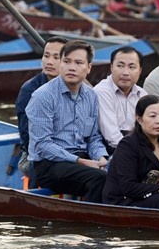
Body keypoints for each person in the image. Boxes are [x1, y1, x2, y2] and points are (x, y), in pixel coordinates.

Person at [26, 40, 109, 203]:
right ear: (60, 64)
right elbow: (42, 145)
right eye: (66, 61)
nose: (72, 67)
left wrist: (101, 158)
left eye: (78, 63)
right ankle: (90, 223)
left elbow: (93, 138)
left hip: (79, 159)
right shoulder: (43, 96)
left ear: (89, 67)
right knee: (99, 179)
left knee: (116, 172)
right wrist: (82, 162)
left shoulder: (91, 96)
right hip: (50, 164)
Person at [103, 95, 159, 209]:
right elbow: (128, 187)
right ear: (139, 119)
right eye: (152, 116)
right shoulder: (128, 145)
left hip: (157, 196)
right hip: (125, 202)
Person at [16, 36, 69, 176]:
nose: (49, 62)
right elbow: (29, 139)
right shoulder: (30, 90)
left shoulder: (76, 88)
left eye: (56, 57)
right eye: (46, 56)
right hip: (34, 157)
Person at [93, 45, 147, 155]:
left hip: (137, 147)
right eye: (120, 66)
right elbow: (111, 137)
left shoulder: (142, 94)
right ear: (111, 67)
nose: (125, 72)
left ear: (140, 70)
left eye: (132, 67)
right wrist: (140, 153)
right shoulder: (102, 91)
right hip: (110, 150)